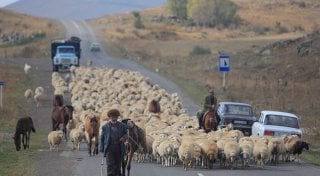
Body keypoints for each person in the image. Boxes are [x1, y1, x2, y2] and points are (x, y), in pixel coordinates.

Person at [100, 109, 128, 176]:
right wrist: (102, 148)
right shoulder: (105, 127)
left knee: (118, 166)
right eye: (112, 117)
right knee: (110, 165)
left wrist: (123, 138)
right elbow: (102, 138)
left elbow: (126, 134)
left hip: (119, 147)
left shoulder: (122, 126)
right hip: (109, 148)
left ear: (118, 117)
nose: (114, 118)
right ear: (109, 117)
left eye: (115, 117)